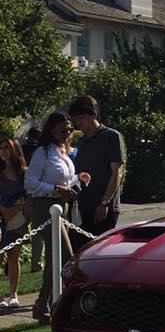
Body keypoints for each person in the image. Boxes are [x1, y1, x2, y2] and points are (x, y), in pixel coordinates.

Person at [25, 113, 89, 323]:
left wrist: (77, 179)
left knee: (55, 258)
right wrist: (55, 189)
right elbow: (30, 183)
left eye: (70, 129)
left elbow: (64, 180)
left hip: (63, 207)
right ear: (51, 130)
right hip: (44, 208)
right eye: (63, 129)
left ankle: (45, 304)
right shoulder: (42, 153)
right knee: (66, 255)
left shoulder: (64, 152)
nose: (68, 133)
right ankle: (58, 303)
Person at [68, 95, 126, 238]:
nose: (78, 123)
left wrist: (104, 203)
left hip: (103, 207)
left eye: (81, 118)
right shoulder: (82, 141)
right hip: (83, 206)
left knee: (99, 247)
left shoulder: (111, 136)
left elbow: (116, 173)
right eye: (76, 119)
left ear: (93, 115)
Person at [0, 136, 29, 309]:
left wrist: (18, 209)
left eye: (7, 148)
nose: (3, 151)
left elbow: (29, 194)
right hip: (1, 217)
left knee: (14, 255)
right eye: (1, 148)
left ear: (14, 150)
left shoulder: (24, 173)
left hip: (17, 218)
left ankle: (13, 294)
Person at [21, 127, 43, 272]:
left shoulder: (22, 149)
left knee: (16, 230)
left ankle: (11, 261)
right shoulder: (41, 151)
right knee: (37, 232)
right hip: (35, 195)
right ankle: (36, 263)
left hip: (22, 194)